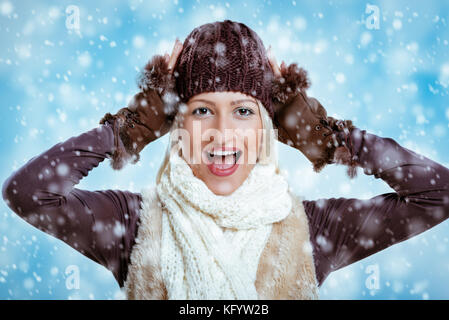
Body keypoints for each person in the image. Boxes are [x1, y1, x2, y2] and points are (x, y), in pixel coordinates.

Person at [2, 19, 449, 300]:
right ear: (175, 125)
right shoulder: (135, 225)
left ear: (267, 127)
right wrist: (129, 128)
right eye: (201, 110)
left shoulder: (314, 230)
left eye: (243, 111)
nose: (221, 133)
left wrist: (329, 140)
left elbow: (438, 194)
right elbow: (27, 193)